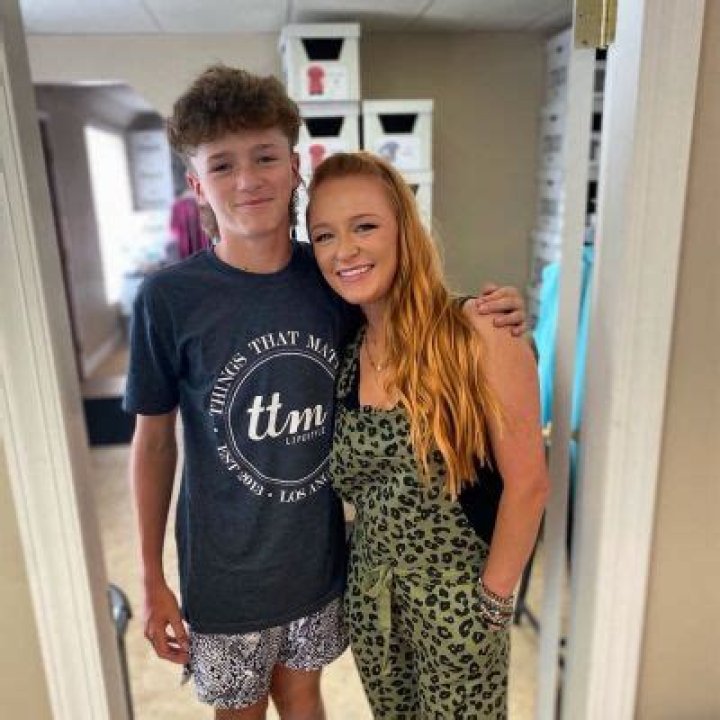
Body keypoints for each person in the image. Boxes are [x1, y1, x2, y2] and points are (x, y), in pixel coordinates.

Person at [124, 65, 527, 720]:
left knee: (303, 697)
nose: (247, 180)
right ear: (196, 184)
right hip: (225, 577)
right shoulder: (168, 300)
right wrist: (150, 578)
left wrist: (486, 312)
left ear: (294, 169)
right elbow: (153, 444)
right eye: (222, 165)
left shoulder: (333, 276)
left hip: (318, 568)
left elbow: (406, 309)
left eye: (264, 157)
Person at [307, 151, 549, 719]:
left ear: (404, 230)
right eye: (324, 235)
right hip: (371, 605)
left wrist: (491, 604)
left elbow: (529, 484)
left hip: (459, 604)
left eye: (365, 226)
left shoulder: (479, 331)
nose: (344, 250)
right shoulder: (344, 354)